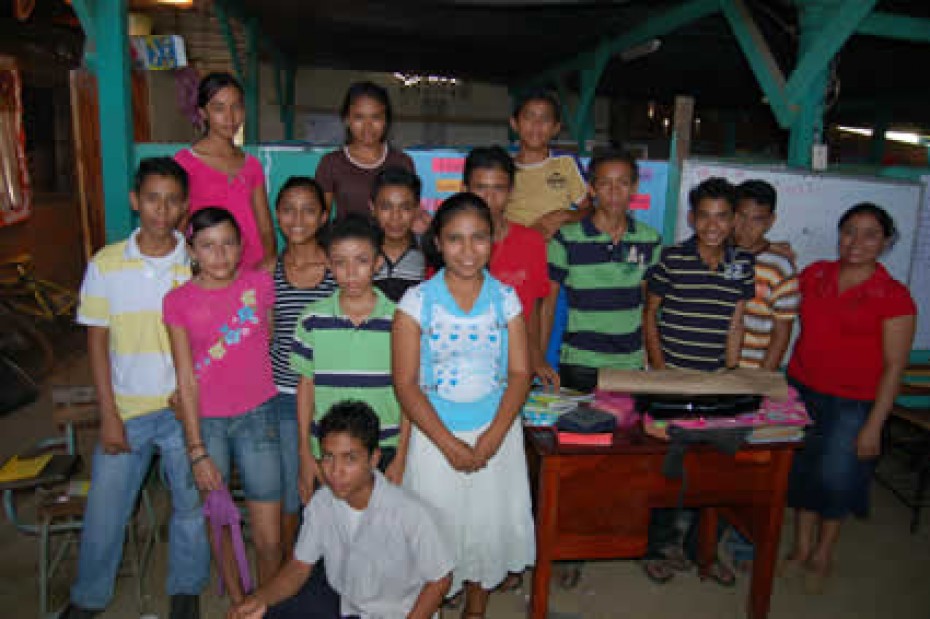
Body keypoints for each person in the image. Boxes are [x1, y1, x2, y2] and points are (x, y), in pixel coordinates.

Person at [60, 158, 209, 619]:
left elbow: (215, 336)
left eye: (171, 200)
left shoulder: (199, 261)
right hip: (126, 411)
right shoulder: (106, 264)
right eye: (151, 198)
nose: (161, 209)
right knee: (106, 511)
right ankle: (89, 597)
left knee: (190, 507)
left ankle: (186, 590)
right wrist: (108, 414)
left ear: (185, 206)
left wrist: (195, 391)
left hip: (185, 411)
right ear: (135, 201)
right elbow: (97, 342)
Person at [393, 193, 535, 618]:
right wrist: (449, 444)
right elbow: (405, 383)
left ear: (493, 241)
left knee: (485, 531)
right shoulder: (417, 302)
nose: (468, 250)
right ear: (437, 241)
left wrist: (491, 438)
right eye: (455, 239)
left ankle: (476, 610)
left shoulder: (506, 299)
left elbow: (519, 374)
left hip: (498, 437)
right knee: (436, 533)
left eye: (478, 238)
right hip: (435, 441)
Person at [782, 203, 915, 593]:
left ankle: (824, 553)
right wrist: (775, 249)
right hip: (801, 390)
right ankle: (801, 548)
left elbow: (894, 367)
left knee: (836, 478)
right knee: (803, 471)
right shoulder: (816, 274)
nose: (856, 242)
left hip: (854, 404)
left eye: (870, 234)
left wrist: (875, 424)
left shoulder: (894, 295)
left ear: (886, 242)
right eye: (849, 231)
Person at [226, 400, 454, 619]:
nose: (335, 471)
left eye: (350, 459)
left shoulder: (409, 512)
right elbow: (299, 566)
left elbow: (441, 578)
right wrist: (258, 599)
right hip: (349, 606)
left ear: (374, 459)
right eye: (328, 457)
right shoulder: (322, 502)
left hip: (396, 613)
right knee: (265, 612)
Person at [164, 207, 282, 603]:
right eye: (208, 246)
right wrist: (196, 450)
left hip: (259, 416)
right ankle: (237, 603)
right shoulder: (177, 301)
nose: (220, 254)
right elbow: (185, 375)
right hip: (207, 424)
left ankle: (265, 604)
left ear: (241, 246)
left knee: (268, 535)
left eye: (229, 243)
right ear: (192, 251)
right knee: (221, 523)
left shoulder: (260, 285)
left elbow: (264, 337)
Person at [642, 177, 755, 587]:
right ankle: (657, 547)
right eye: (704, 216)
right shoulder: (672, 259)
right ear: (691, 218)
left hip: (715, 384)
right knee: (666, 470)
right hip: (671, 379)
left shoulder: (743, 264)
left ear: (733, 220)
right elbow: (650, 315)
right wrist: (660, 371)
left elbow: (736, 322)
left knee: (717, 470)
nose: (713, 225)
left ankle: (700, 548)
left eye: (722, 216)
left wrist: (731, 373)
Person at [290, 214, 408, 498]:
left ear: (378, 262)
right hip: (328, 454)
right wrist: (306, 454)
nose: (351, 272)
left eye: (362, 261)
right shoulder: (311, 320)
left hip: (385, 450)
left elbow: (409, 392)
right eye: (340, 262)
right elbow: (305, 389)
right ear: (329, 264)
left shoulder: (400, 320)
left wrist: (403, 456)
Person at [541, 150, 662, 393]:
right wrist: (541, 358)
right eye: (605, 183)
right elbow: (548, 305)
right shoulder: (566, 239)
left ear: (635, 187)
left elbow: (649, 309)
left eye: (623, 183)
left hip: (630, 364)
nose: (614, 191)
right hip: (579, 363)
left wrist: (652, 361)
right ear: (592, 189)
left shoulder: (650, 240)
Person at [268, 177, 337, 552]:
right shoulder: (268, 271)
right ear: (278, 215)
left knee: (331, 483)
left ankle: (327, 566)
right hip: (281, 395)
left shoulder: (336, 271)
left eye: (309, 210)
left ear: (323, 216)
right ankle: (288, 569)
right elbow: (263, 335)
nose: (298, 219)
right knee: (291, 491)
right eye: (289, 210)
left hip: (327, 396)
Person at [463, 145, 557, 388]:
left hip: (516, 366)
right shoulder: (450, 242)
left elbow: (534, 307)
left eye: (498, 189)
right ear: (464, 189)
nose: (489, 198)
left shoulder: (531, 241)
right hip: (464, 365)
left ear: (511, 192)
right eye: (480, 188)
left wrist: (537, 358)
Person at [174, 72, 276, 270]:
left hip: (252, 269)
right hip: (209, 269)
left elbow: (265, 228)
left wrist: (267, 265)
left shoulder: (251, 165)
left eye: (236, 107)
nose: (230, 117)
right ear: (203, 113)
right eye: (219, 108)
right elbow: (179, 225)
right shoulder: (185, 162)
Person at [315, 81, 415, 219]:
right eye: (359, 117)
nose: (367, 126)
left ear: (386, 120)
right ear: (347, 120)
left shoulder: (403, 162)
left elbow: (409, 213)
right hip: (347, 240)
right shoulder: (331, 163)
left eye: (376, 117)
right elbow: (320, 219)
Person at [505, 89, 589, 239]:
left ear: (556, 128)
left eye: (545, 119)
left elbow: (590, 210)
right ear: (514, 123)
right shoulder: (502, 168)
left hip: (556, 255)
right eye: (529, 117)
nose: (536, 125)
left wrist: (564, 216)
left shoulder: (566, 163)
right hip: (513, 251)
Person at [733, 180, 800, 370]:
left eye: (757, 219)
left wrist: (763, 378)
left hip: (752, 370)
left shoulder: (780, 268)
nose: (746, 227)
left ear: (770, 221)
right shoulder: (717, 254)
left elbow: (782, 332)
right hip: (711, 369)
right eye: (740, 216)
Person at [370, 166, 426, 302]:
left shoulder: (428, 252)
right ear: (372, 208)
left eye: (405, 208)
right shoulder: (360, 252)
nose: (395, 217)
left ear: (417, 210)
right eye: (386, 207)